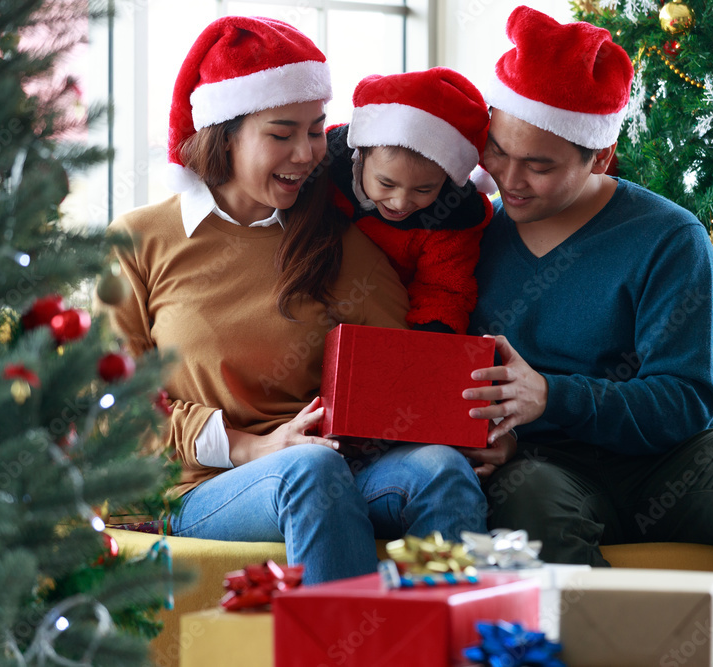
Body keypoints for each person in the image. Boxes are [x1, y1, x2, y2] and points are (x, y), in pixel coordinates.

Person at [460, 7, 713, 666]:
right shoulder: (471, 238)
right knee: (529, 497)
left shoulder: (668, 237)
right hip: (542, 467)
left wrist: (553, 395)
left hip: (665, 462)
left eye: (538, 166)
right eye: (498, 152)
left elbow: (684, 404)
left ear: (599, 154)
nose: (509, 179)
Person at [107, 16, 486, 585]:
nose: (308, 153)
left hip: (333, 466)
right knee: (307, 468)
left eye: (317, 130)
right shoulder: (139, 241)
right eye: (282, 133)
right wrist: (249, 446)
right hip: (196, 487)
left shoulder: (339, 242)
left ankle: (448, 645)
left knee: (441, 471)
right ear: (224, 133)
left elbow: (408, 368)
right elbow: (106, 406)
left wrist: (477, 426)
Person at [326, 68, 493, 335]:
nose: (400, 202)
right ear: (360, 157)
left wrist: (430, 341)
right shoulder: (325, 169)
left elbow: (444, 289)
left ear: (446, 179)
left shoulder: (453, 221)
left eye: (423, 189)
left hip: (390, 321)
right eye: (386, 184)